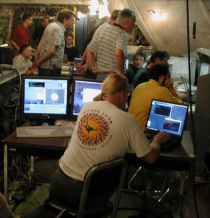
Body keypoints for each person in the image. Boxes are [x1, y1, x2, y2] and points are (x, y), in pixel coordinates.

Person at [49, 74, 170, 206]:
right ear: (122, 94)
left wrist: (134, 132)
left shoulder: (86, 107)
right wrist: (157, 140)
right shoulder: (129, 121)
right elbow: (151, 158)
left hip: (58, 182)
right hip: (86, 193)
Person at [86, 8, 136, 81]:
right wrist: (122, 74)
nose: (134, 26)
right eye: (133, 23)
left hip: (100, 76)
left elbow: (89, 50)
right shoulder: (122, 33)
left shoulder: (102, 30)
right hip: (113, 77)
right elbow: (118, 53)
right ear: (126, 22)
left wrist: (93, 68)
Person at [128, 63, 183, 128]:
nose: (170, 79)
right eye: (168, 76)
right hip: (143, 131)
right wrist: (171, 89)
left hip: (130, 126)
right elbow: (180, 106)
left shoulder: (139, 86)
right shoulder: (162, 91)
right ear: (161, 78)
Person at [32, 9, 75, 77]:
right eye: (72, 20)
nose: (73, 22)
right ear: (65, 20)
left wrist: (38, 57)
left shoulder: (50, 26)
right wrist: (38, 62)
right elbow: (52, 51)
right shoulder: (58, 30)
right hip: (51, 69)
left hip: (43, 67)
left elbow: (41, 43)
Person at [77, 11, 121, 75]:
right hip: (98, 69)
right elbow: (95, 52)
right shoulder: (106, 30)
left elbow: (88, 49)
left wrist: (82, 63)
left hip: (91, 67)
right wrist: (90, 66)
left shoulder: (96, 30)